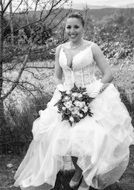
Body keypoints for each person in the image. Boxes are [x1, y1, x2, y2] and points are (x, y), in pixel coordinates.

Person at [14, 12, 134, 190]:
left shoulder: (93, 48)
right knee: (68, 139)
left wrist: (91, 94)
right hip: (66, 98)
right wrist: (64, 93)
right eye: (68, 27)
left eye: (76, 26)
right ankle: (78, 172)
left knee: (91, 137)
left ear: (83, 28)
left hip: (92, 95)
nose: (72, 30)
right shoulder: (60, 49)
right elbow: (57, 76)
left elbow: (109, 74)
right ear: (65, 29)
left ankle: (87, 177)